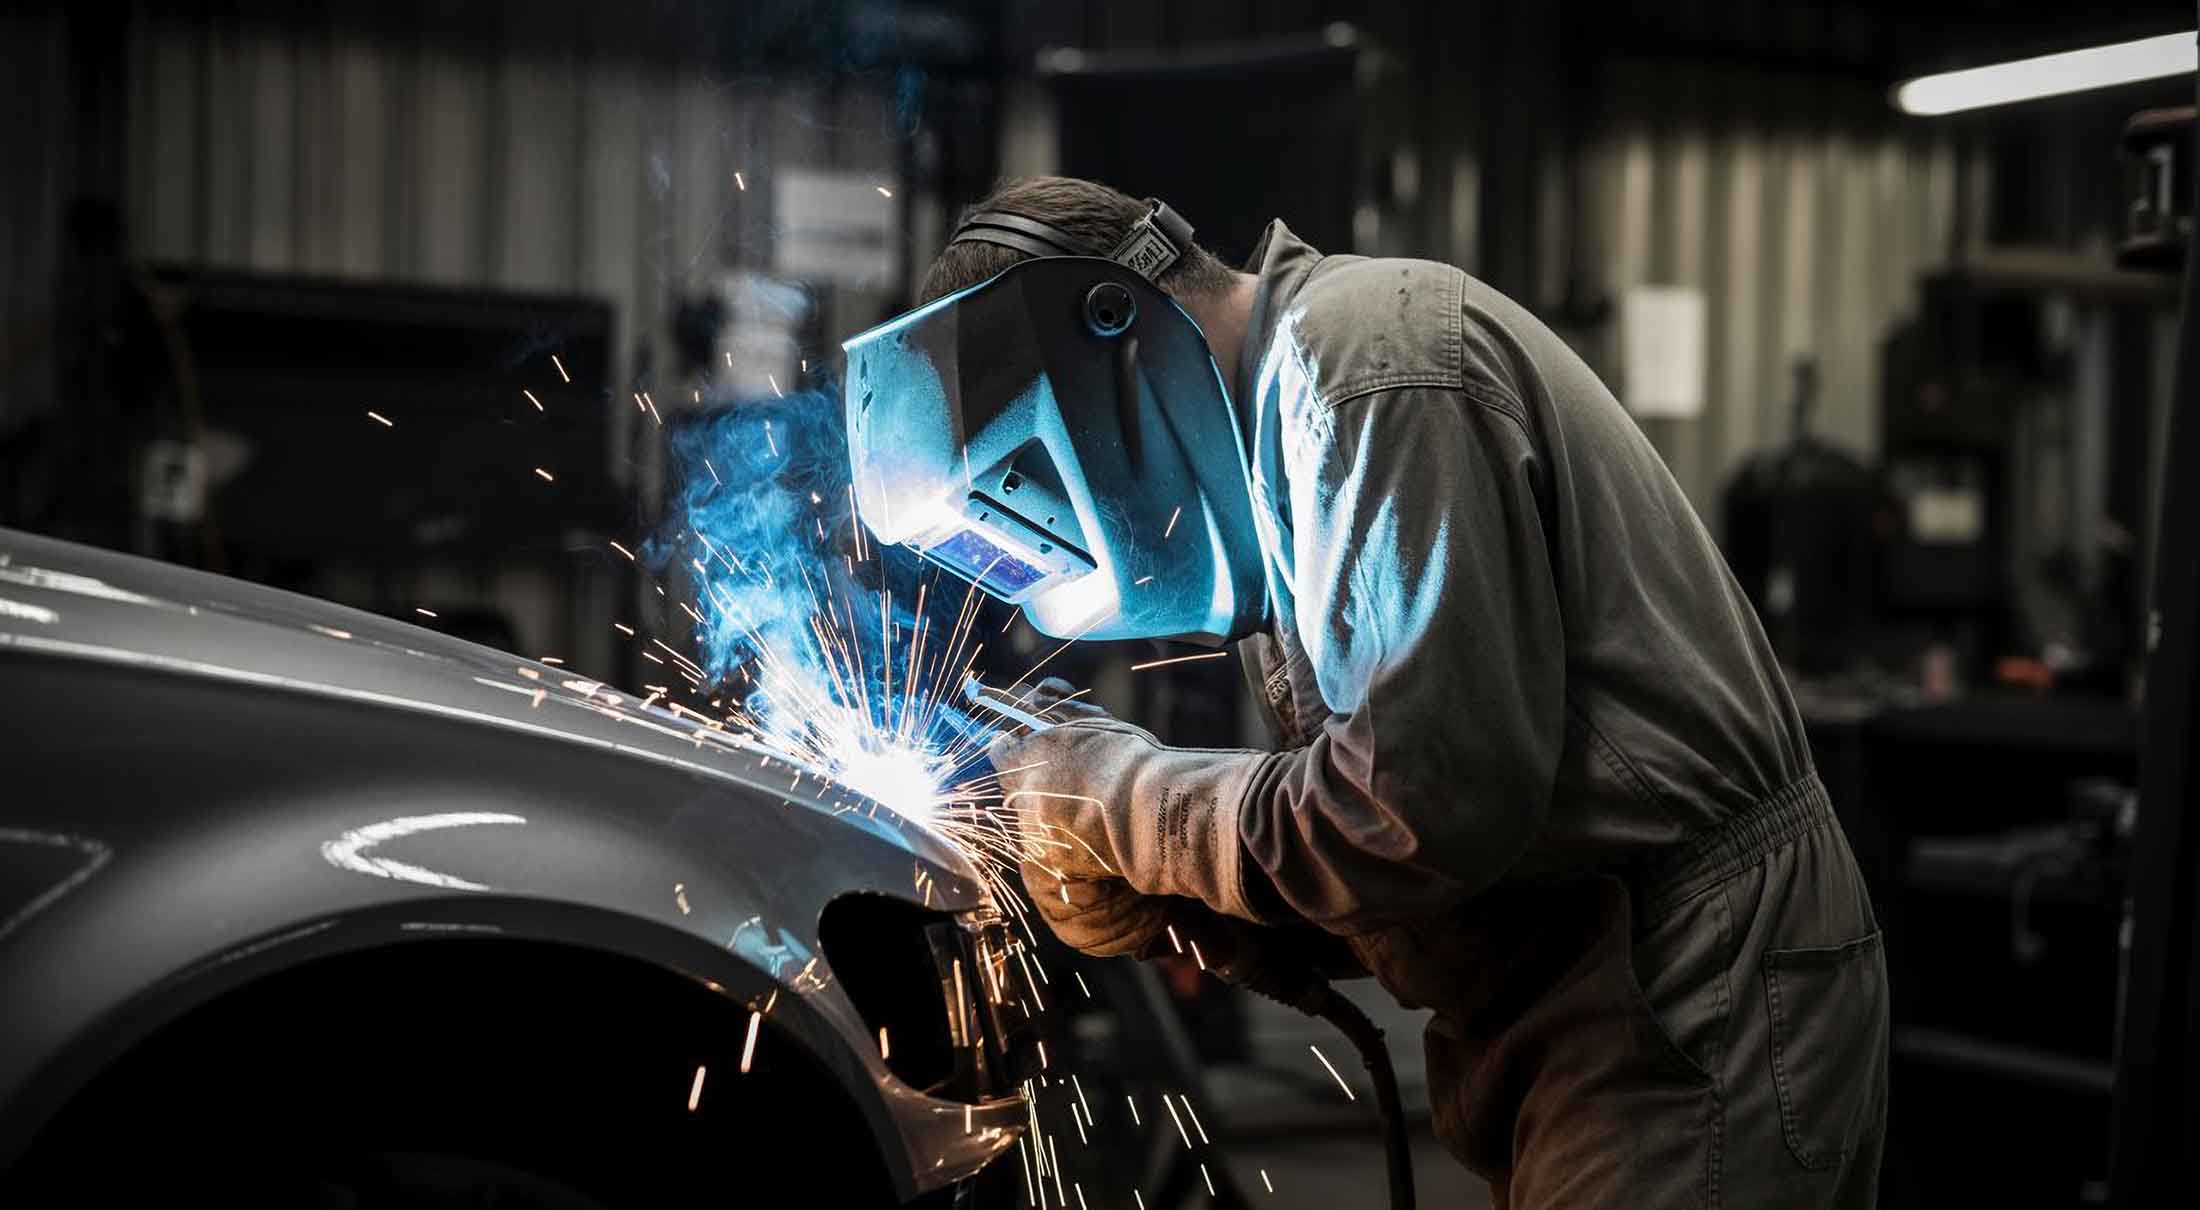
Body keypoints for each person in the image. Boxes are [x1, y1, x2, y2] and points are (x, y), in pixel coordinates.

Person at [914, 176, 1888, 1209]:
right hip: (1598, 980)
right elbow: (1418, 852)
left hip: (1690, 987)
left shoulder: (1362, 377)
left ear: (1109, 330)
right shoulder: (1280, 460)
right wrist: (1177, 904)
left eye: (1035, 489)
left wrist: (1116, 800)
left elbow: (1417, 813)